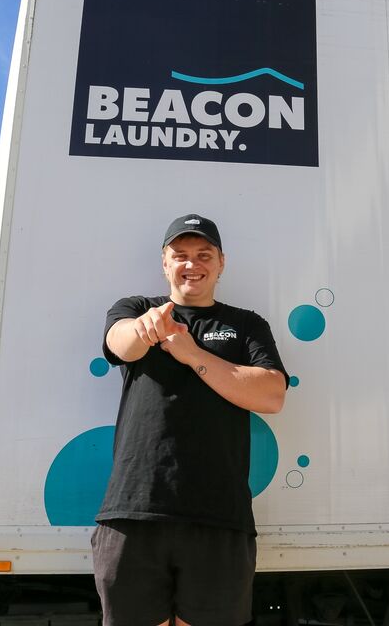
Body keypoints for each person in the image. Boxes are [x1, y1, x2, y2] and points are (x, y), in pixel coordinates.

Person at [93, 214, 288, 626]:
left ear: (221, 263)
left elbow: (271, 394)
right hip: (135, 511)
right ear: (164, 263)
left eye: (203, 254)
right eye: (179, 255)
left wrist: (192, 353)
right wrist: (145, 330)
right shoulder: (137, 310)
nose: (191, 264)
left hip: (219, 515)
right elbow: (119, 343)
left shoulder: (245, 324)